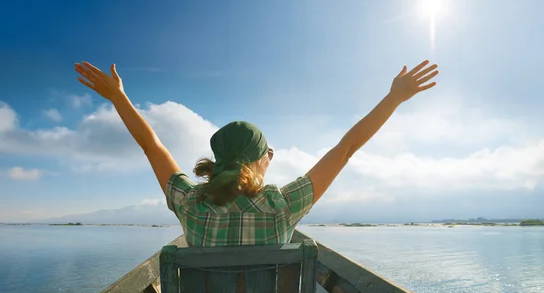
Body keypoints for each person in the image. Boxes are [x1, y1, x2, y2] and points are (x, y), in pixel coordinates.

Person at [74, 60, 438, 247]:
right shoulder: (284, 205)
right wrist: (394, 98)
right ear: (262, 160)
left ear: (216, 164)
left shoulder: (189, 202)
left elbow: (151, 145)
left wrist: (118, 96)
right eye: (269, 154)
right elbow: (345, 149)